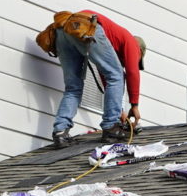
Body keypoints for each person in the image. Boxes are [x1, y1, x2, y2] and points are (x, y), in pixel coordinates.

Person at [50, 9, 145, 148]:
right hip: (85, 24)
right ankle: (111, 128)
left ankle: (60, 132)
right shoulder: (132, 42)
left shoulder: (113, 41)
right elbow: (132, 72)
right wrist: (134, 105)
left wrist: (118, 111)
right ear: (140, 52)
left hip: (62, 29)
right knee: (117, 74)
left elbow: (107, 79)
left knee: (73, 87)